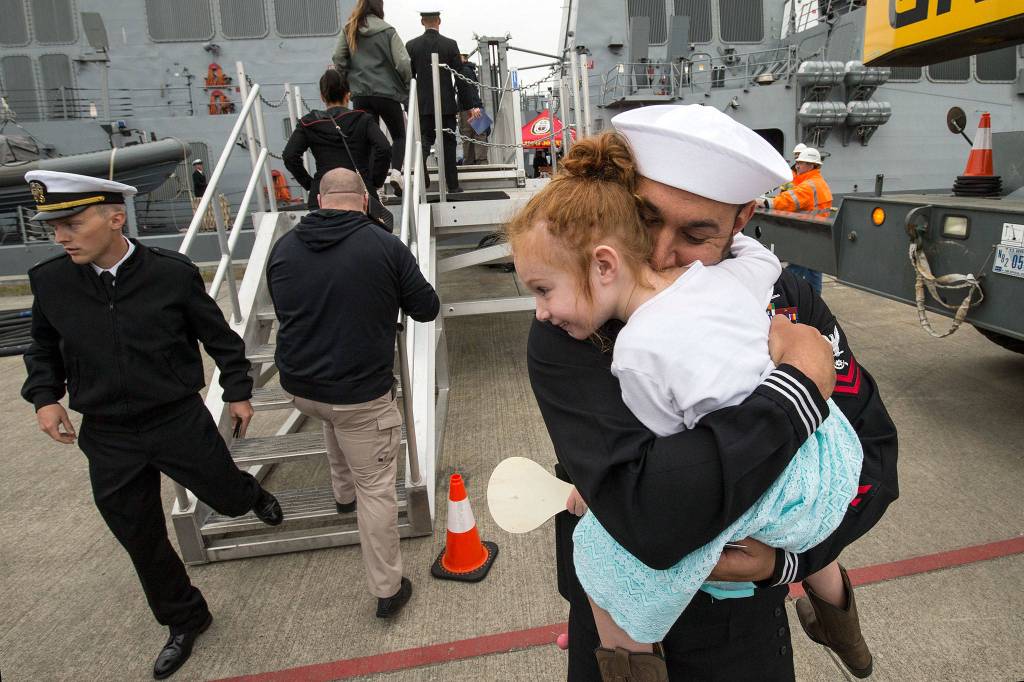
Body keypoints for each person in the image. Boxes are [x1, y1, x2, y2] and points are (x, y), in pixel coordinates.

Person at [525, 106, 898, 681]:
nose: (661, 255)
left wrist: (787, 562)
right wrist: (796, 389)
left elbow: (873, 455)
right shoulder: (577, 323)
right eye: (646, 221)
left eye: (697, 234)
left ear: (743, 217)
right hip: (622, 644)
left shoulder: (786, 300)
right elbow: (651, 515)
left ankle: (835, 615)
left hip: (743, 637)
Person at [20, 170, 284, 680]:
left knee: (224, 495)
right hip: (108, 433)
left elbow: (220, 337)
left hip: (176, 419)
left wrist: (238, 391)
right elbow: (43, 348)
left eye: (72, 222)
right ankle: (186, 619)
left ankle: (248, 495)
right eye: (55, 226)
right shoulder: (51, 282)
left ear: (115, 217)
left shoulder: (170, 273)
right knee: (139, 535)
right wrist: (44, 397)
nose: (60, 236)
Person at [266, 167, 440, 619]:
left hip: (301, 386)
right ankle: (387, 588)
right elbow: (426, 307)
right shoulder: (383, 246)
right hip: (359, 394)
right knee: (377, 487)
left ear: (319, 201)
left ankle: (341, 494)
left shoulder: (283, 249)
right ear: (364, 200)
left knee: (332, 417)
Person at [283, 68, 394, 230]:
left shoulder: (308, 123)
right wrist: (374, 181)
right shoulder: (362, 119)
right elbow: (384, 148)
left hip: (323, 195)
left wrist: (312, 184)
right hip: (359, 192)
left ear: (322, 96)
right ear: (348, 94)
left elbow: (289, 156)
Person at [333, 0, 411, 196]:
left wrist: (347, 81)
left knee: (368, 140)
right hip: (387, 93)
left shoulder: (349, 29)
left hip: (360, 95)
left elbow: (338, 58)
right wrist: (407, 84)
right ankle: (396, 172)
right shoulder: (388, 30)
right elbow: (403, 62)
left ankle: (370, 187)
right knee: (399, 135)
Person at [406, 10, 482, 193]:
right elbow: (461, 78)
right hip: (446, 105)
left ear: (422, 21)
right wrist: (469, 106)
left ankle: (420, 168)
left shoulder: (411, 46)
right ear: (439, 21)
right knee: (448, 144)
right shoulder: (450, 45)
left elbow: (409, 78)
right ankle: (453, 186)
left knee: (425, 140)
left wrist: (408, 105)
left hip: (423, 106)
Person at [763, 146, 832, 294]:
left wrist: (766, 202)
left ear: (811, 165)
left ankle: (781, 295)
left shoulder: (809, 185)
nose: (798, 165)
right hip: (816, 233)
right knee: (813, 269)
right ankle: (815, 301)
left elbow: (791, 199)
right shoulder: (816, 182)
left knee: (795, 268)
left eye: (801, 162)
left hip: (806, 234)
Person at [457, 53, 489, 166]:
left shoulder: (463, 71)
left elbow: (467, 91)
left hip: (469, 107)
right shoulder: (469, 70)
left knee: (469, 135)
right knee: (479, 134)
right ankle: (481, 161)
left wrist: (473, 106)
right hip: (475, 105)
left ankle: (472, 162)